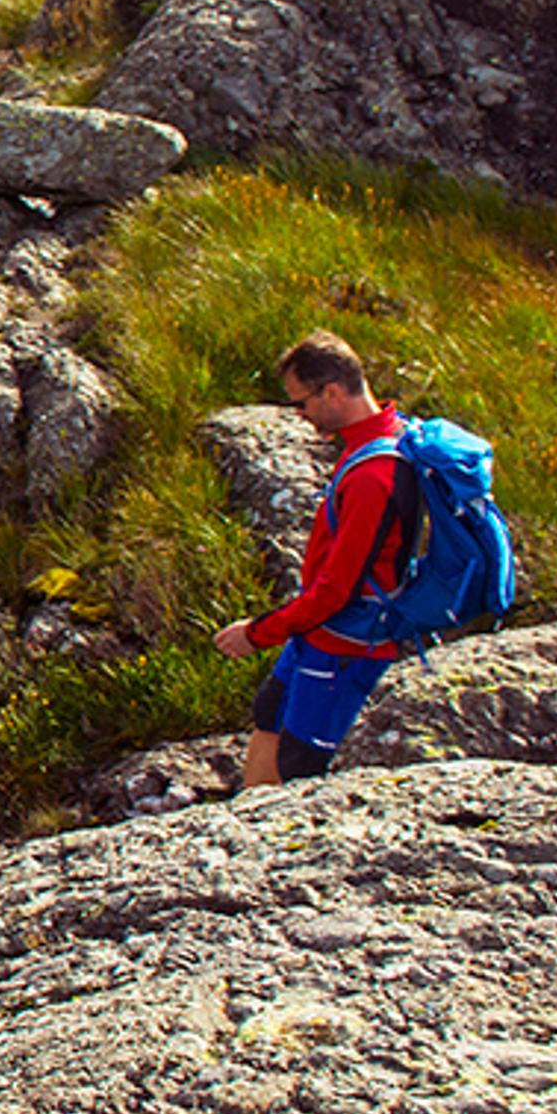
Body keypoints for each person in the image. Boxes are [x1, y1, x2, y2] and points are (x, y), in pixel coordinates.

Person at [211, 332, 412, 786]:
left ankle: (269, 843)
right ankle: (245, 824)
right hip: (319, 633)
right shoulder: (383, 438)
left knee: (301, 760)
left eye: (301, 404)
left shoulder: (374, 475)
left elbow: (336, 591)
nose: (299, 416)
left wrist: (258, 633)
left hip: (347, 643)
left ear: (334, 393)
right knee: (270, 709)